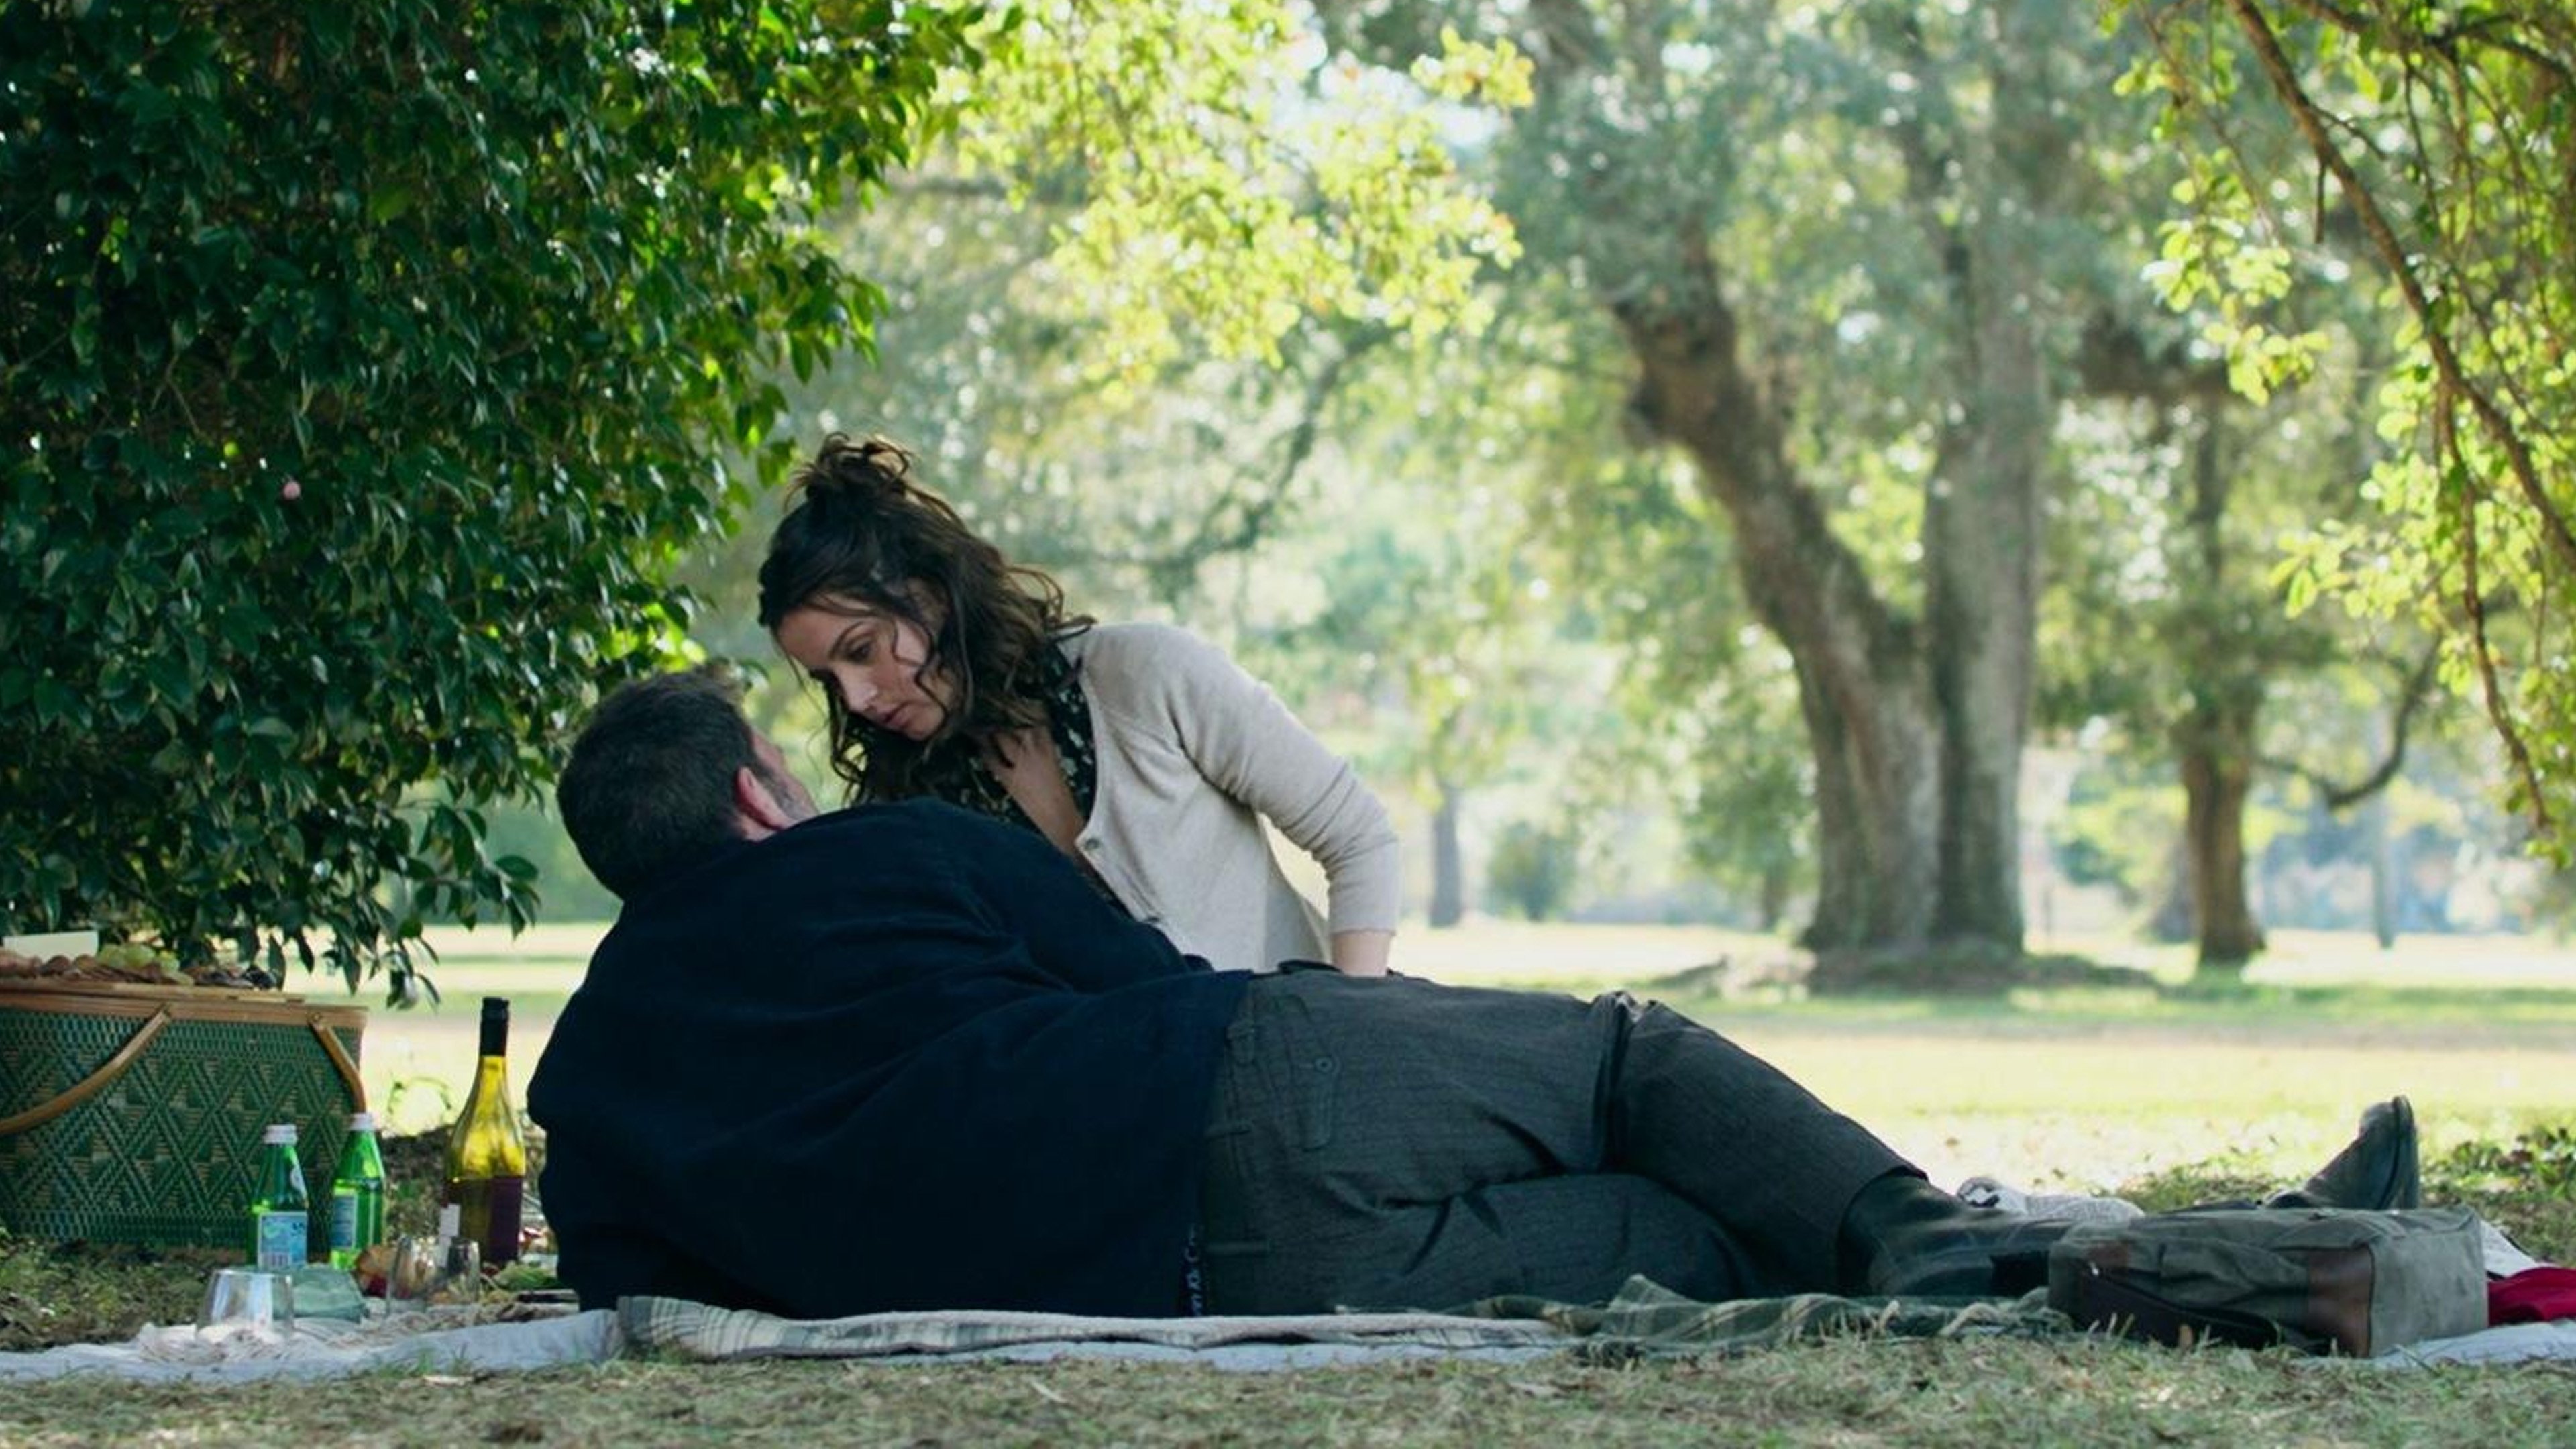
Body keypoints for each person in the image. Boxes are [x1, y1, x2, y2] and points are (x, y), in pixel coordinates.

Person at [531, 670, 2421, 1321]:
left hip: (1220, 1283)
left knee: (1713, 1241)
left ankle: (2251, 1266)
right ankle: (1957, 1237)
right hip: (1245, 1083)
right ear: (758, 797)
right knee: (1629, 1064)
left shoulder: (591, 1077)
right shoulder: (882, 851)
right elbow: (1140, 974)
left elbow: (626, 1294)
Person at [756, 433, 1398, 979]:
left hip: (1318, 1055)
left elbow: (1357, 837)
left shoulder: (1148, 675)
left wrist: (1357, 1025)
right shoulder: (914, 811)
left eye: (862, 650)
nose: (856, 698)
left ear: (934, 592)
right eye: (830, 679)